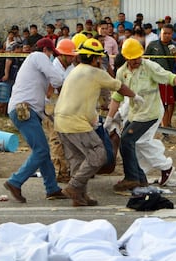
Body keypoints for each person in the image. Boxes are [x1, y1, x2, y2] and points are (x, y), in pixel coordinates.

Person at [104, 38, 176, 191]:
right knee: (127, 143)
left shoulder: (149, 67)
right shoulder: (122, 72)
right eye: (133, 58)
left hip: (151, 112)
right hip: (135, 114)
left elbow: (170, 77)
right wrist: (110, 118)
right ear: (126, 58)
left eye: (138, 57)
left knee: (128, 140)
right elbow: (117, 96)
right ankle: (140, 177)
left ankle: (133, 177)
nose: (136, 60)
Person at [54, 38, 138, 206]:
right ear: (94, 58)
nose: (101, 61)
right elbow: (118, 86)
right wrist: (135, 96)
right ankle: (74, 186)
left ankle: (80, 197)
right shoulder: (95, 72)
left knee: (77, 160)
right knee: (99, 155)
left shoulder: (76, 70)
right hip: (75, 123)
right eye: (99, 58)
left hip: (60, 122)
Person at [4, 38, 67, 203]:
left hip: (28, 111)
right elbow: (58, 79)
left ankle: (52, 188)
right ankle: (15, 181)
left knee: (43, 152)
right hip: (24, 110)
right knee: (41, 151)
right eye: (52, 53)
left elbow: (43, 94)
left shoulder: (33, 63)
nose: (52, 57)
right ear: (46, 49)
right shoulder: (37, 56)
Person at [44, 39, 77, 183]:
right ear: (61, 55)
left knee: (68, 141)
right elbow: (50, 92)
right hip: (52, 109)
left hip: (67, 109)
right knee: (56, 141)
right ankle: (59, 172)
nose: (72, 58)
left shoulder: (71, 69)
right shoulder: (53, 69)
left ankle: (68, 169)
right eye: (70, 56)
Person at [145, 23, 176, 128]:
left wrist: (175, 53)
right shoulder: (153, 45)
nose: (166, 35)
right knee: (156, 103)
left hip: (169, 77)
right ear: (160, 33)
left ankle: (167, 124)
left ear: (172, 34)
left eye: (169, 34)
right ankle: (159, 125)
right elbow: (145, 59)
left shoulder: (175, 45)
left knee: (170, 102)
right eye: (164, 33)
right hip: (154, 78)